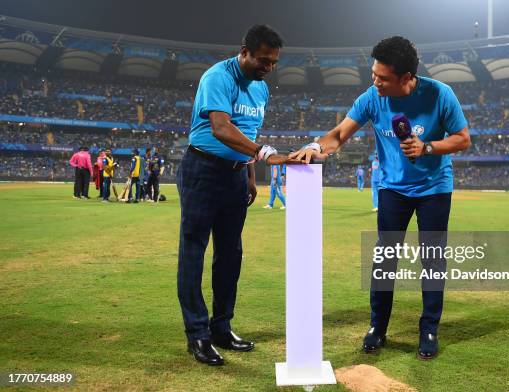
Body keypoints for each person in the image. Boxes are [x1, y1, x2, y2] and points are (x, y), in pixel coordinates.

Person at [290, 36, 471, 360]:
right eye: (373, 74)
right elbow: (340, 134)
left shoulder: (440, 95)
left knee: (432, 260)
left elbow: (462, 139)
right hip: (392, 189)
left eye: (382, 78)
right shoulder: (372, 97)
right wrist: (317, 147)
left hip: (434, 188)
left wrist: (427, 147)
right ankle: (378, 326)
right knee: (385, 259)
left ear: (406, 78)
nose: (375, 82)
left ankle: (429, 328)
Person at [177, 24, 299, 366]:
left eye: (274, 62)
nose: (268, 68)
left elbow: (246, 131)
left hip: (233, 176)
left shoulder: (260, 89)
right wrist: (262, 154)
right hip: (202, 170)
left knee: (230, 254)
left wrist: (247, 175)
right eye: (263, 60)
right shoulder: (217, 77)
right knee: (194, 252)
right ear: (244, 51)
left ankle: (221, 327)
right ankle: (197, 335)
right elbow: (221, 127)